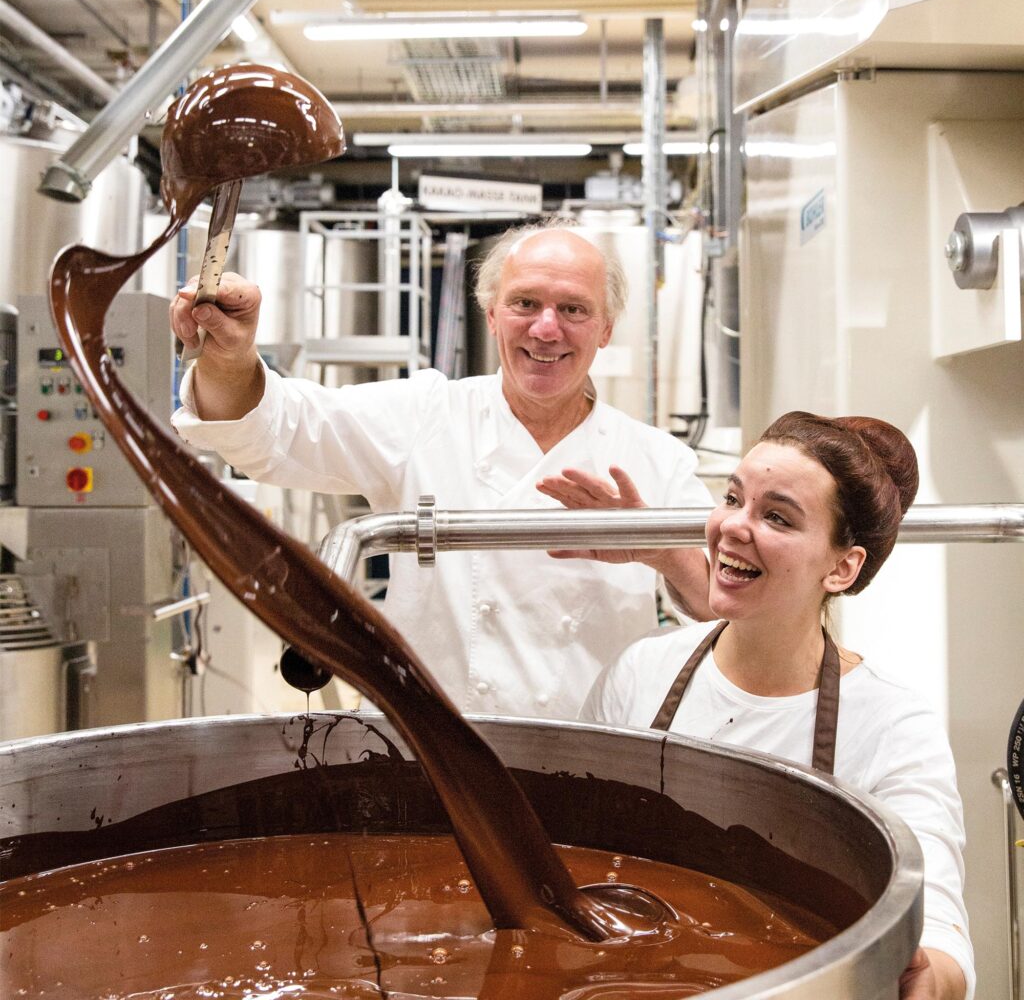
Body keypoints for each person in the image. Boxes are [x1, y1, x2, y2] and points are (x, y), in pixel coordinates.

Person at [170, 219, 714, 718]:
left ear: (606, 329)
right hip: (430, 748)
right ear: (492, 314)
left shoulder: (656, 459)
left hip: (595, 755)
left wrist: (662, 552)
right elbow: (278, 430)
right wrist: (230, 359)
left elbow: (726, 611)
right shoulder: (426, 416)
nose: (547, 329)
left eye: (574, 309)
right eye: (525, 303)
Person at [581, 411, 973, 1000]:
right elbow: (579, 852)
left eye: (777, 517)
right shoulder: (640, 674)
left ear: (842, 567)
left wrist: (930, 975)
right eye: (732, 498)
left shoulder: (892, 725)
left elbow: (936, 922)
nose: (734, 527)